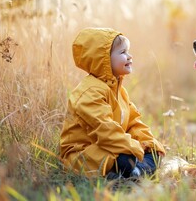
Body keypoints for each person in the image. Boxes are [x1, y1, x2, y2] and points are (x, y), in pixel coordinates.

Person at [60, 28, 165, 179]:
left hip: (112, 145)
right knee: (124, 159)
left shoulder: (118, 90)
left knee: (153, 152)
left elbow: (133, 122)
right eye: (123, 52)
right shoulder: (89, 92)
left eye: (128, 51)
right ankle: (131, 170)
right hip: (84, 152)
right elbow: (105, 130)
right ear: (103, 60)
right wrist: (134, 148)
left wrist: (146, 142)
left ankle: (136, 171)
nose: (129, 56)